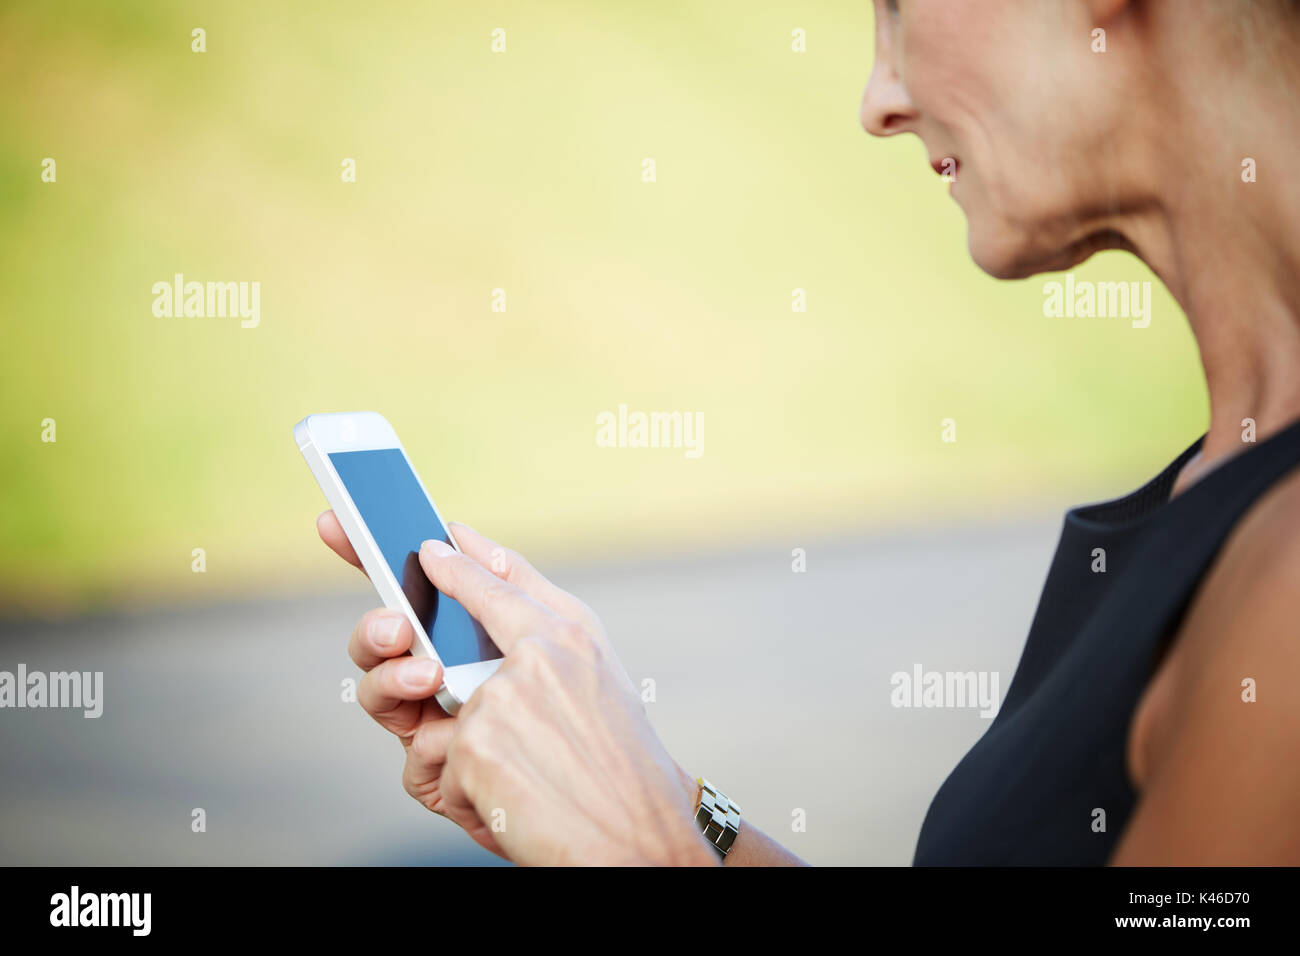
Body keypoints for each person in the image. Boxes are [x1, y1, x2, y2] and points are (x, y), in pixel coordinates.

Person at [316, 0, 1300, 865]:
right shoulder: (1231, 481)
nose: (878, 99)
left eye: (896, 6)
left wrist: (633, 848)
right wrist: (656, 792)